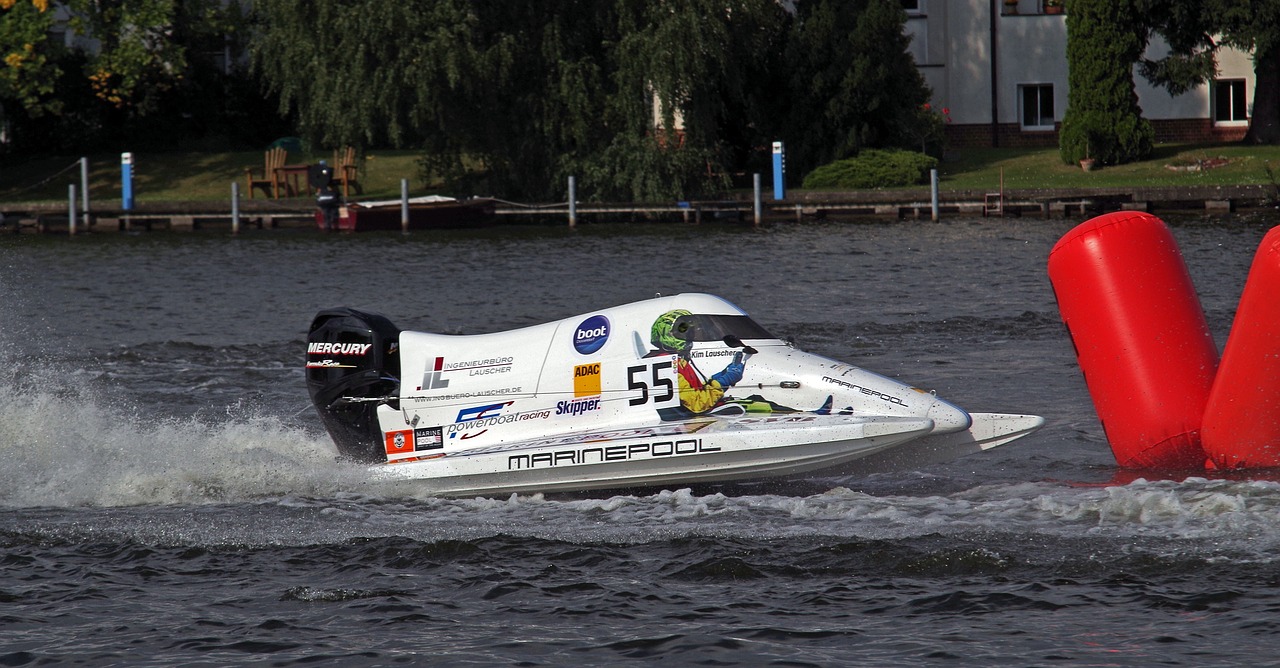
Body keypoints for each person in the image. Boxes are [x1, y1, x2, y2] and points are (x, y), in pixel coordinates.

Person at [648, 309, 746, 418]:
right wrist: (725, 381)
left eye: (690, 333)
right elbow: (697, 404)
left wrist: (721, 376)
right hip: (683, 423)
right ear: (669, 334)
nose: (689, 337)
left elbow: (695, 392)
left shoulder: (676, 361)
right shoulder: (666, 365)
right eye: (684, 333)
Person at [309, 161, 342, 231]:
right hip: (332, 200)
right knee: (333, 207)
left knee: (325, 210)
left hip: (322, 201)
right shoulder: (332, 183)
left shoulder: (319, 183)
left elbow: (317, 194)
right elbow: (337, 193)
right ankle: (333, 220)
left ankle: (327, 224)